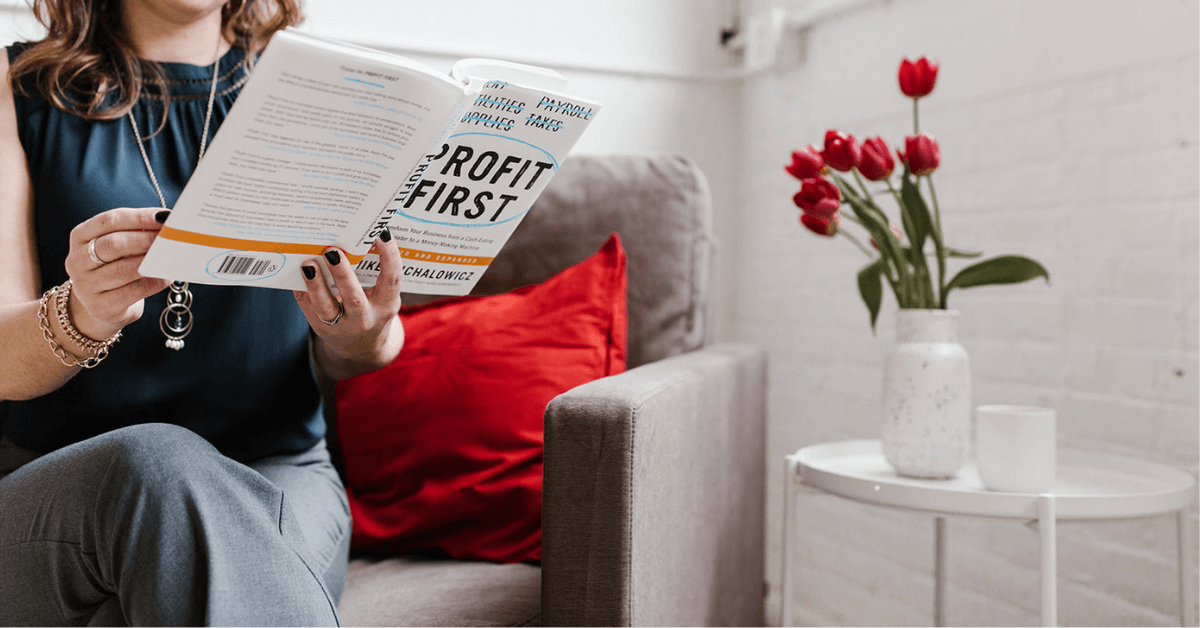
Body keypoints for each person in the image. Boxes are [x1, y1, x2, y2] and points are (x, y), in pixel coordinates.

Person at [0, 0, 405, 624]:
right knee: (157, 462)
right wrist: (80, 313)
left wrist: (360, 332)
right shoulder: (13, 88)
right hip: (63, 487)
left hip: (277, 473)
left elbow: (369, 346)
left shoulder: (325, 96)